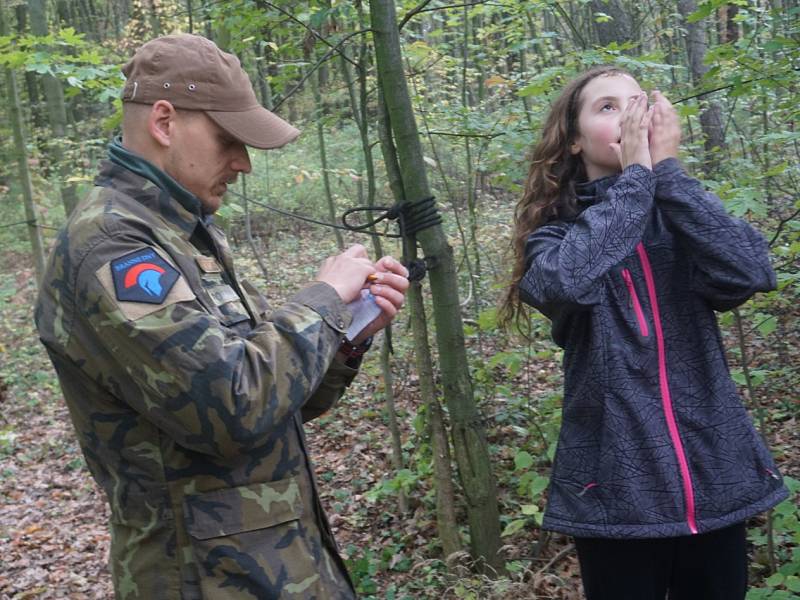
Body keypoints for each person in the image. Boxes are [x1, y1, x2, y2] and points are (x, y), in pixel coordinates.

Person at [35, 34, 409, 600]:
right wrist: (324, 299)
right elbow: (231, 405)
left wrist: (348, 328)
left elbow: (282, 402)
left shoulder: (184, 232)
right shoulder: (112, 247)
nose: (243, 163)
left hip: (272, 566)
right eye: (229, 140)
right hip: (201, 577)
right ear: (164, 122)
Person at [499, 66, 788, 600]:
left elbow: (750, 273)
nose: (631, 115)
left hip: (713, 475)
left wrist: (669, 174)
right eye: (607, 107)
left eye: (638, 102)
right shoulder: (555, 237)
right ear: (574, 139)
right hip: (616, 487)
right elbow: (564, 283)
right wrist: (636, 182)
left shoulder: (681, 217)